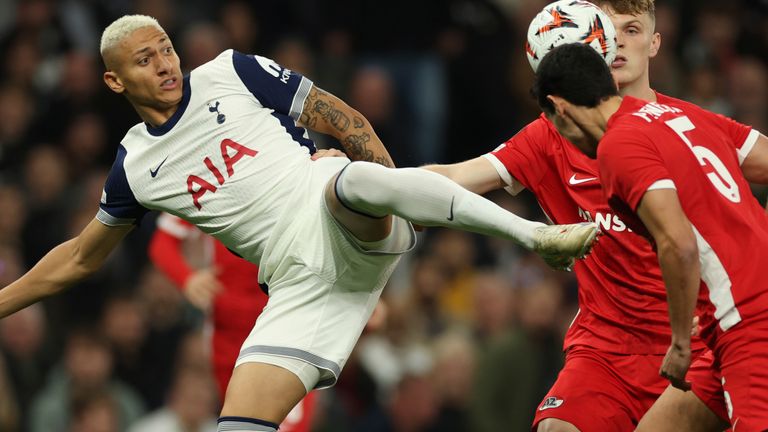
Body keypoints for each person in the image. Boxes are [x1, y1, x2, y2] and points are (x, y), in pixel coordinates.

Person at [0, 15, 598, 431]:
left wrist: (393, 196)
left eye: (166, 49)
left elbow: (341, 117)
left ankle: (535, 238)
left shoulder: (231, 71)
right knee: (238, 421)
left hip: (334, 207)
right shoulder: (136, 166)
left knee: (349, 178)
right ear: (113, 80)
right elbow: (80, 257)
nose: (165, 65)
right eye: (144, 59)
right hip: (297, 285)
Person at [425, 1, 768, 430]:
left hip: (717, 330)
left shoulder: (661, 130)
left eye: (632, 30)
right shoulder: (565, 134)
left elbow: (677, 243)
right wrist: (367, 180)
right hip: (613, 348)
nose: (620, 42)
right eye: (611, 30)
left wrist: (682, 341)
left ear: (656, 43)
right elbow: (456, 177)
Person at [533, 41, 768, 432]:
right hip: (724, 323)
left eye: (557, 129)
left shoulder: (618, 146)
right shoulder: (680, 116)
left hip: (750, 322)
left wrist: (678, 344)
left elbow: (678, 244)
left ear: (560, 108)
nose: (567, 143)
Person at [148, 212, 317, 431]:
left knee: (286, 424)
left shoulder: (302, 182)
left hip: (286, 331)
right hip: (227, 337)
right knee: (242, 424)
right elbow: (162, 243)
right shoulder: (211, 179)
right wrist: (187, 278)